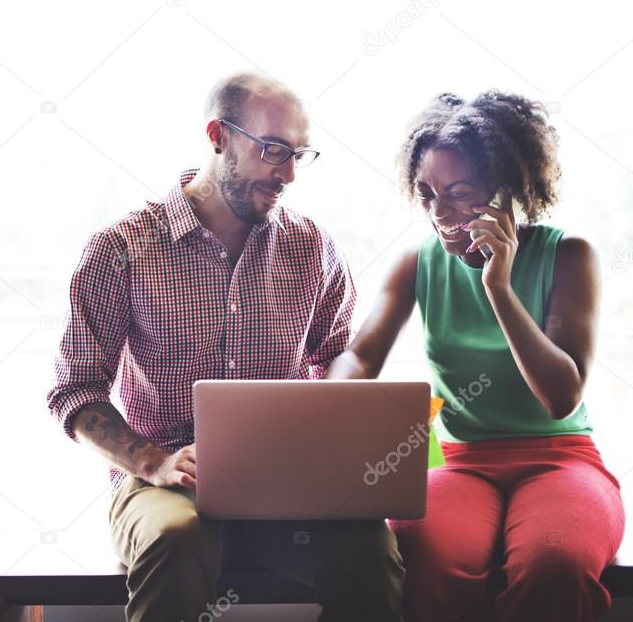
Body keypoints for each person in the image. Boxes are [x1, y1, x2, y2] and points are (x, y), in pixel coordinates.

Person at [47, 71, 405, 622]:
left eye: (298, 155)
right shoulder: (121, 250)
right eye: (273, 150)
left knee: (368, 549)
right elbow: (75, 393)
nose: (286, 173)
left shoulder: (311, 248)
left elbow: (337, 359)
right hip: (162, 485)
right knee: (177, 537)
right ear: (219, 135)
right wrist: (154, 462)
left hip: (285, 490)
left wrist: (339, 448)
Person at [326, 90, 625, 621]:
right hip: (458, 463)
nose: (439, 212)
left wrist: (500, 288)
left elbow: (560, 396)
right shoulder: (416, 263)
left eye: (460, 192)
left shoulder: (569, 255)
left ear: (509, 187)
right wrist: (332, 397)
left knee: (553, 565)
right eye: (426, 194)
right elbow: (361, 356)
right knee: (425, 560)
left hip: (560, 458)